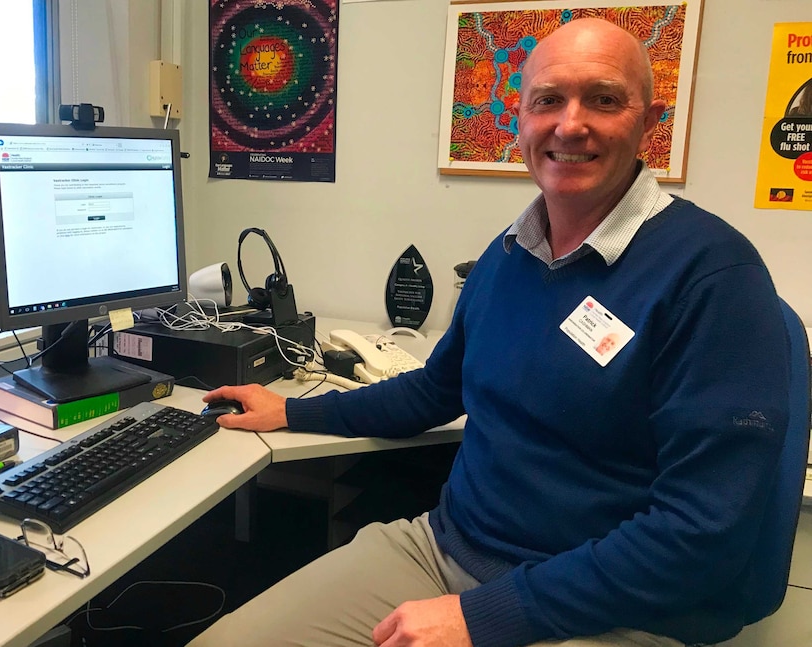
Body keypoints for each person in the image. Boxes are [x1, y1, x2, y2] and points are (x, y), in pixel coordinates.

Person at [188, 17, 789, 647]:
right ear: (519, 118)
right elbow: (433, 392)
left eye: (604, 100)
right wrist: (293, 411)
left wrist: (485, 616)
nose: (570, 124)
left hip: (614, 607)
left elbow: (703, 534)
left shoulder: (715, 276)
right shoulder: (508, 256)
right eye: (548, 101)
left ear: (650, 121)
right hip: (444, 553)